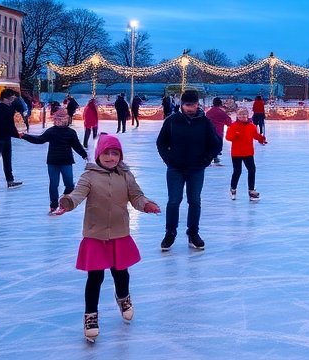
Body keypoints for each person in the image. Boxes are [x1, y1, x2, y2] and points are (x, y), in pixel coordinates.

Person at [58, 134, 160, 343]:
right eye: (107, 153)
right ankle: (91, 316)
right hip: (95, 235)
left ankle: (123, 298)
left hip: (119, 233)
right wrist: (67, 203)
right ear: (98, 155)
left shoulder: (126, 175)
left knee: (120, 273)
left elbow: (137, 196)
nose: (111, 157)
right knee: (95, 278)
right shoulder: (89, 176)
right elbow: (77, 195)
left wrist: (146, 205)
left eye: (115, 154)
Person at [155, 89, 220, 251]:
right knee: (174, 201)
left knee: (195, 201)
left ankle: (193, 233)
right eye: (187, 104)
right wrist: (168, 159)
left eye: (194, 104)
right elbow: (161, 142)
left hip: (196, 169)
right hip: (175, 168)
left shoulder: (205, 123)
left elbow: (216, 144)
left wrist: (205, 161)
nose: (191, 108)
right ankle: (170, 233)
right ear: (182, 105)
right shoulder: (172, 121)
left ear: (198, 104)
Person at [23, 107, 89, 214]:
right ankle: (53, 205)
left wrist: (84, 155)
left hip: (66, 161)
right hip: (53, 161)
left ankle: (63, 200)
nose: (59, 122)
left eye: (61, 120)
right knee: (54, 184)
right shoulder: (51, 131)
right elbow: (39, 140)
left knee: (70, 185)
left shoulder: (71, 132)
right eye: (57, 120)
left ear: (66, 120)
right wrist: (25, 136)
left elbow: (76, 146)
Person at [226, 108, 267, 201]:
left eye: (244, 114)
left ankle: (251, 190)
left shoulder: (251, 126)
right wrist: (234, 135)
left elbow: (255, 135)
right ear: (237, 116)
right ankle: (233, 188)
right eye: (240, 115)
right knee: (237, 171)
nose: (242, 116)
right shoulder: (233, 126)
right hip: (236, 153)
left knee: (252, 170)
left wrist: (261, 138)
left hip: (248, 152)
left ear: (247, 115)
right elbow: (228, 137)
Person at [205, 97, 232, 167]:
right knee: (217, 145)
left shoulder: (208, 112)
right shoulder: (221, 113)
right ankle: (215, 158)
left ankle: (209, 159)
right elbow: (229, 121)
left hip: (209, 131)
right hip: (218, 132)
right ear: (220, 104)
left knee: (209, 145)